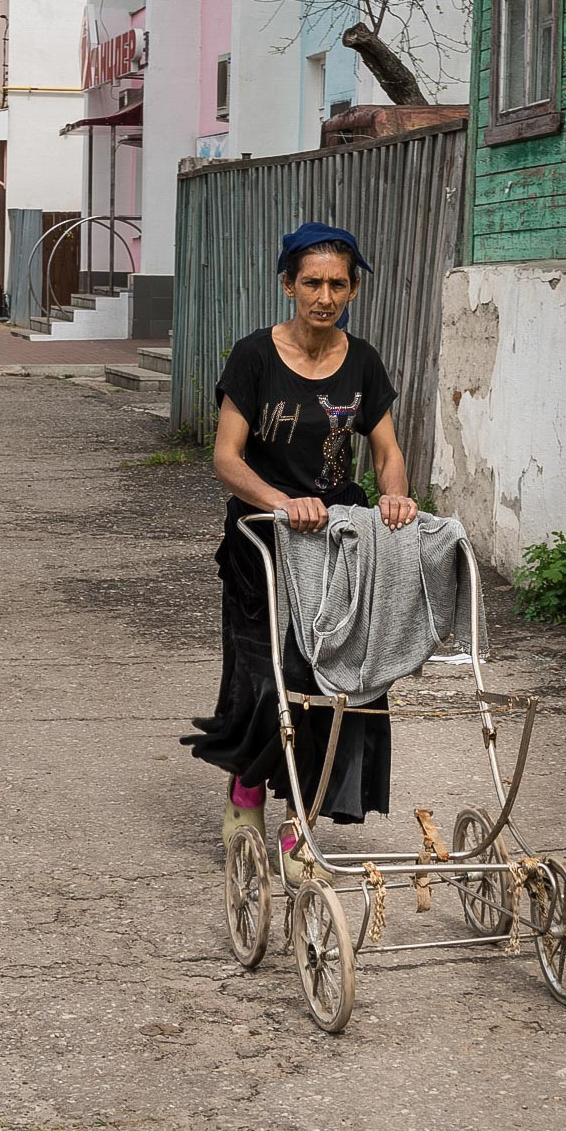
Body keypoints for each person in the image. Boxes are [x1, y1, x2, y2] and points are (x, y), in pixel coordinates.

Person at [181, 222, 419, 883]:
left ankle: (301, 824)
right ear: (288, 285)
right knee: (266, 677)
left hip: (337, 546)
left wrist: (394, 497)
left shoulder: (363, 361)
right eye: (311, 282)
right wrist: (281, 502)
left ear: (353, 288)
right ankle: (248, 790)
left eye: (337, 284)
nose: (324, 296)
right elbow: (226, 460)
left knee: (332, 681)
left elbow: (387, 451)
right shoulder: (255, 357)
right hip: (264, 543)